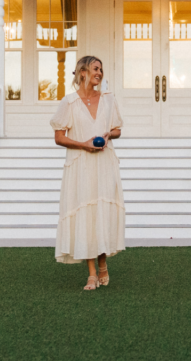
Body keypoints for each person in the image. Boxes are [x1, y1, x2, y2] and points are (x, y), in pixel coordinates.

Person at [51, 56, 125, 290]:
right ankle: (92, 273)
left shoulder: (108, 100)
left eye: (101, 70)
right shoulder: (69, 102)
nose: (99, 73)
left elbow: (117, 130)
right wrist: (84, 144)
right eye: (95, 68)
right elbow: (59, 137)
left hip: (104, 164)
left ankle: (103, 264)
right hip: (81, 164)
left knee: (102, 212)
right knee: (86, 215)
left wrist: (107, 135)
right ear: (82, 72)